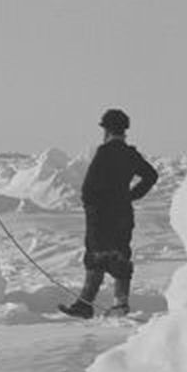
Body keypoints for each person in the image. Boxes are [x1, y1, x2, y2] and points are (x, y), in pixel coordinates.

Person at [60, 108, 159, 318]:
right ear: (124, 130)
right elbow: (151, 175)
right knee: (120, 256)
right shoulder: (130, 154)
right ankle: (120, 305)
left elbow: (89, 188)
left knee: (96, 257)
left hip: (101, 216)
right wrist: (131, 195)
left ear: (106, 130)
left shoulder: (104, 152)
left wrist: (91, 206)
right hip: (123, 215)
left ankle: (85, 304)